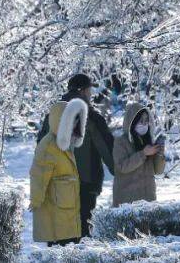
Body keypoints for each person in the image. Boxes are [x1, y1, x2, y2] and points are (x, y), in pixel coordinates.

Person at [37, 74, 116, 239]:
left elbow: (41, 147)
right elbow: (107, 149)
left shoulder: (52, 116)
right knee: (81, 232)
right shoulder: (91, 118)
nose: (91, 94)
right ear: (84, 91)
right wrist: (117, 168)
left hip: (56, 183)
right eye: (90, 90)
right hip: (85, 183)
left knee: (58, 233)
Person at [30, 97, 87, 245]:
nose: (74, 124)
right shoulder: (49, 145)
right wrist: (36, 199)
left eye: (76, 120)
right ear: (62, 121)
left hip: (65, 209)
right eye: (72, 120)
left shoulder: (65, 144)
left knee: (69, 252)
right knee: (61, 250)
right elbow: (38, 174)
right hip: (57, 211)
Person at [112, 103, 166, 207]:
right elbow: (122, 166)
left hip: (148, 201)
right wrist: (143, 154)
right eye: (141, 121)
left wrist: (160, 153)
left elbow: (158, 171)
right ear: (132, 122)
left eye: (146, 121)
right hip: (127, 202)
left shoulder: (148, 141)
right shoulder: (121, 142)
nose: (144, 124)